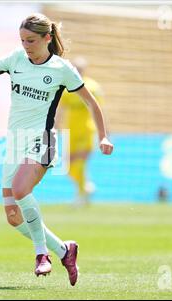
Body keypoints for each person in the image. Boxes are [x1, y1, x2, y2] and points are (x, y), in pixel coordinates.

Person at [0, 13, 113, 286]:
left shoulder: (62, 69)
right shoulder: (16, 59)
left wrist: (104, 137)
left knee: (20, 190)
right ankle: (65, 250)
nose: (26, 45)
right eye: (22, 40)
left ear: (47, 38)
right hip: (14, 142)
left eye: (31, 40)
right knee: (14, 217)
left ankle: (42, 255)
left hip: (43, 139)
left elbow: (91, 103)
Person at [57, 57, 105, 205]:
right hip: (71, 130)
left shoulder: (92, 87)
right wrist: (56, 125)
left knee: (81, 162)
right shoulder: (66, 88)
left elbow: (100, 109)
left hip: (87, 129)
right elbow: (61, 109)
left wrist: (105, 132)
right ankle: (85, 187)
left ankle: (82, 193)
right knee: (68, 166)